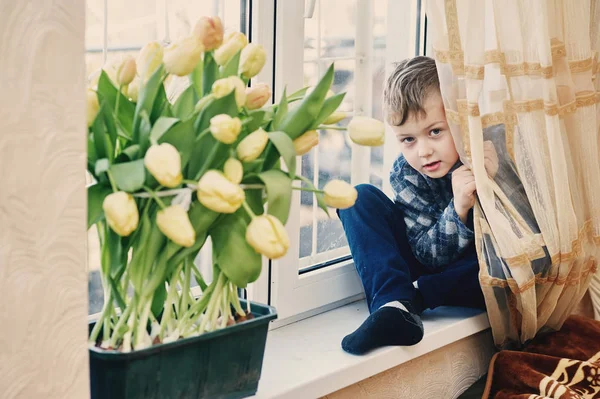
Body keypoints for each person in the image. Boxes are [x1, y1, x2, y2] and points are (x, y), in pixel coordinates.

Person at [338, 56, 497, 355]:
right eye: (408, 139)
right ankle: (391, 306)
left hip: (467, 277)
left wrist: (493, 183)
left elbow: (519, 245)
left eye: (435, 131)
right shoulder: (406, 172)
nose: (424, 151)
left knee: (503, 257)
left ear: (459, 120)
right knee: (357, 197)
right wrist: (459, 208)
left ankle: (412, 299)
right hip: (429, 257)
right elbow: (427, 255)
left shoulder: (487, 154)